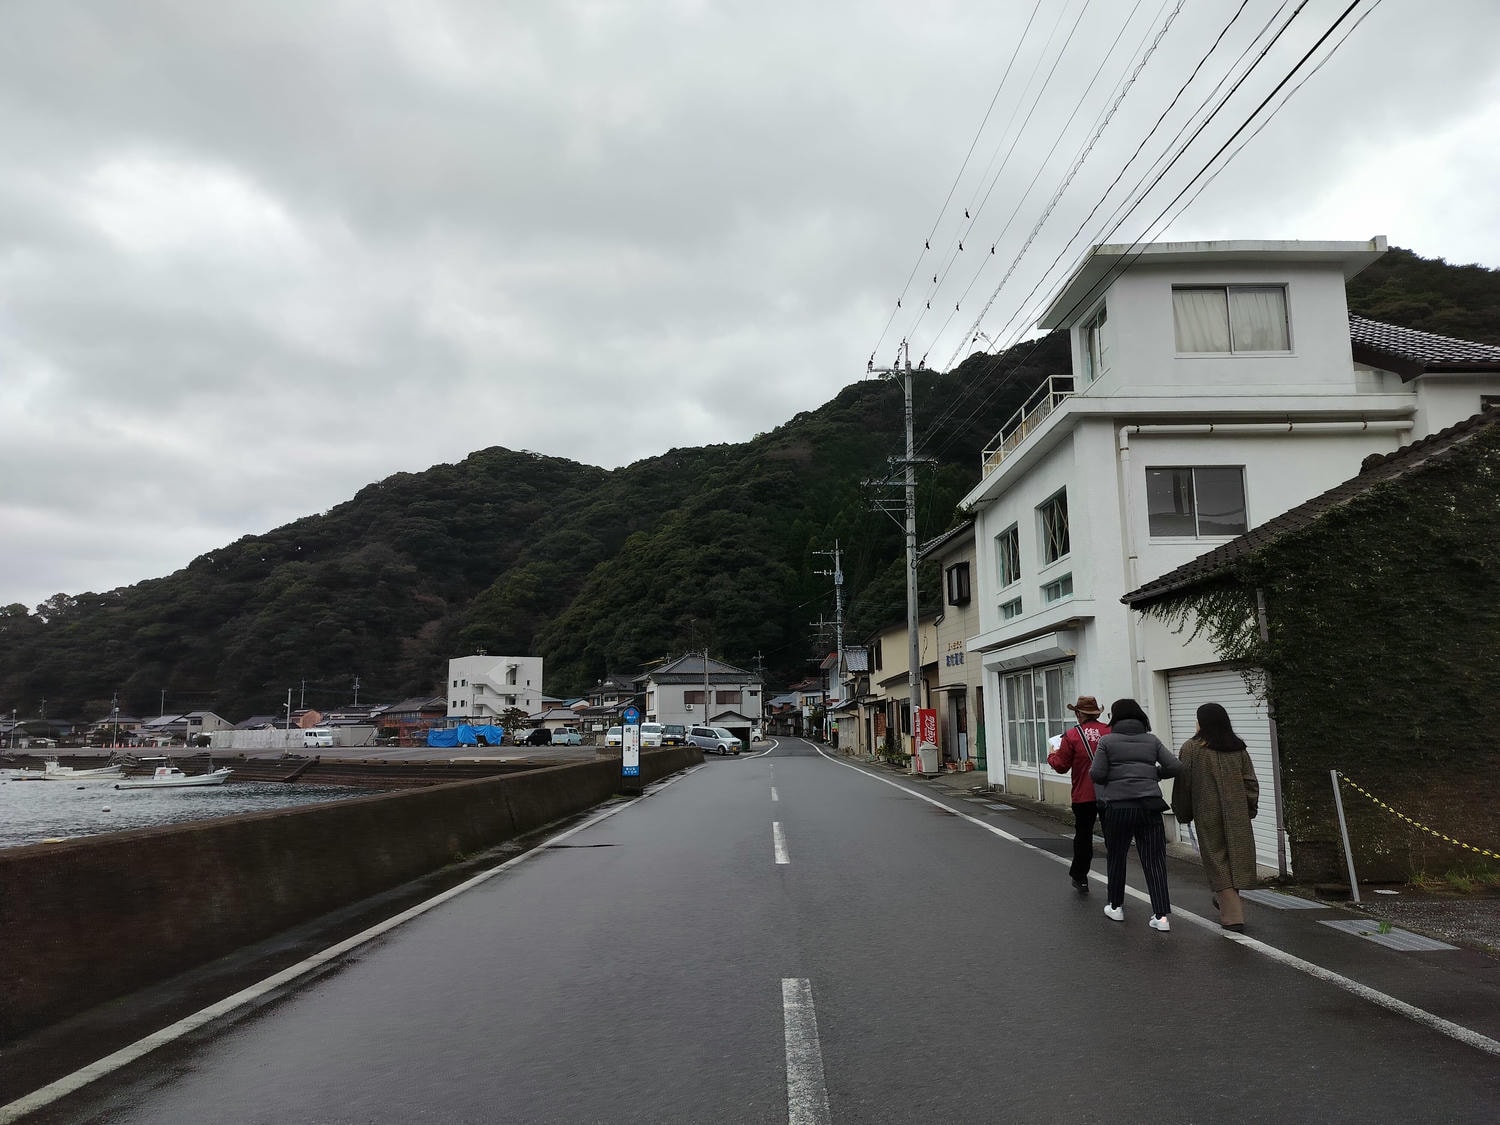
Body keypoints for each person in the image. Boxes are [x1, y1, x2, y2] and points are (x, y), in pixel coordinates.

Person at [1090, 698, 1181, 931]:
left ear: (1115, 717)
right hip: (1149, 807)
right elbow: (1174, 766)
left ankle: (1115, 907)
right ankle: (1161, 916)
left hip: (1118, 807)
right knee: (1154, 860)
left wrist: (1113, 776)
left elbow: (1097, 774)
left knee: (1117, 856)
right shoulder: (1151, 740)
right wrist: (1154, 774)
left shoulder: (1106, 741)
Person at [1172, 702, 1259, 932]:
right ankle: (1226, 901)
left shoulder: (1191, 748)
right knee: (1236, 859)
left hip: (1207, 812)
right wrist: (1249, 809)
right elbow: (1250, 782)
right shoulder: (1238, 748)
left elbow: (1183, 784)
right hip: (1237, 812)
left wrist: (1183, 812)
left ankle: (1233, 917)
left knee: (1216, 860)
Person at [1047, 695, 1109, 893]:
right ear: (1096, 713)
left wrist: (1052, 754)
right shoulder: (1109, 731)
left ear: (1079, 714)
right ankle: (1116, 876)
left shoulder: (1072, 735)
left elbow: (1061, 766)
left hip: (1084, 794)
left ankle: (1080, 877)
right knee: (1113, 837)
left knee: (1083, 836)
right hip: (1109, 793)